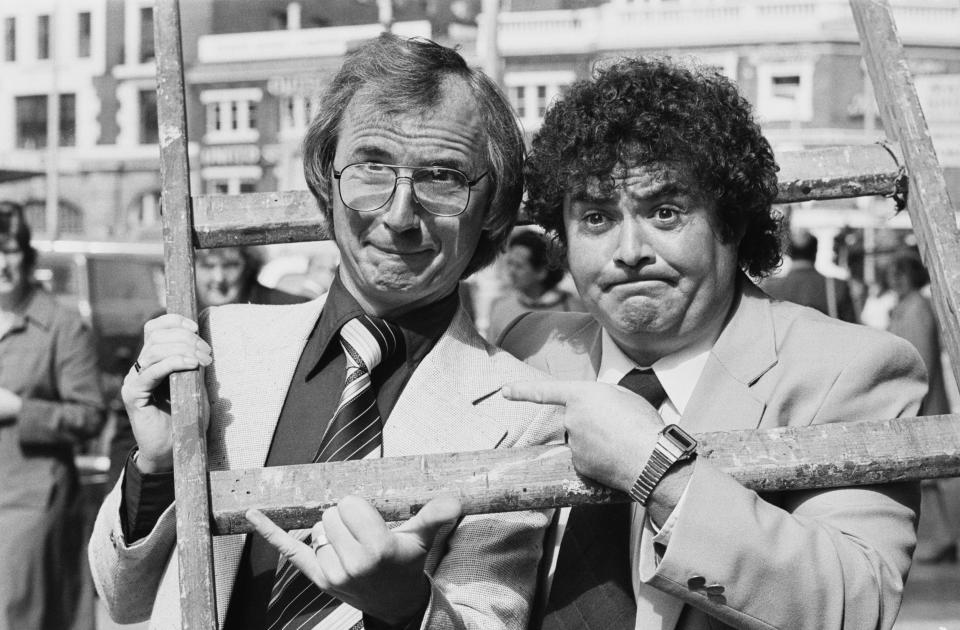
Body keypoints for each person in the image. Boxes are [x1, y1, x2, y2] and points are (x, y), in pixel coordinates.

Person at [88, 34, 561, 630]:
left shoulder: (522, 416)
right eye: (370, 169)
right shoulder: (222, 349)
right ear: (324, 181)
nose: (398, 215)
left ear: (492, 206)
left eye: (443, 178)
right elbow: (121, 598)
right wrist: (155, 467)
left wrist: (407, 606)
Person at [498, 58, 927, 630]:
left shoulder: (849, 369)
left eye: (665, 212)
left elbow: (855, 603)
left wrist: (659, 474)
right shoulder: (530, 350)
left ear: (733, 222)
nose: (630, 250)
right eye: (597, 217)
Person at [105, 246, 307, 488]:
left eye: (230, 265)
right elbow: (133, 421)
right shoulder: (166, 326)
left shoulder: (290, 312)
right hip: (191, 478)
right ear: (190, 267)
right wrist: (120, 493)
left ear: (249, 266)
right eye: (208, 266)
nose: (218, 278)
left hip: (275, 471)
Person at [0, 201, 106, 630]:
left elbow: (90, 415)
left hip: (30, 501)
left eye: (8, 249)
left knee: (15, 614)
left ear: (26, 255)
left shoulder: (62, 326)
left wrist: (22, 409)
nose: (1, 263)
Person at [886, 252, 959, 564]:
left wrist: (911, 401)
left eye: (897, 273)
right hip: (921, 400)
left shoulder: (916, 308)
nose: (892, 279)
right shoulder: (909, 306)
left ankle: (944, 538)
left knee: (932, 478)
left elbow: (920, 360)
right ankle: (942, 538)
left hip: (922, 402)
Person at [486, 230, 584, 341]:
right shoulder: (501, 308)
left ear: (541, 272)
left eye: (519, 266)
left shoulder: (575, 309)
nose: (511, 271)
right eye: (510, 263)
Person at [762, 230, 858, 322]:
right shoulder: (837, 287)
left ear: (788, 253)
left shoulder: (769, 289)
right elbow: (852, 327)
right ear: (815, 252)